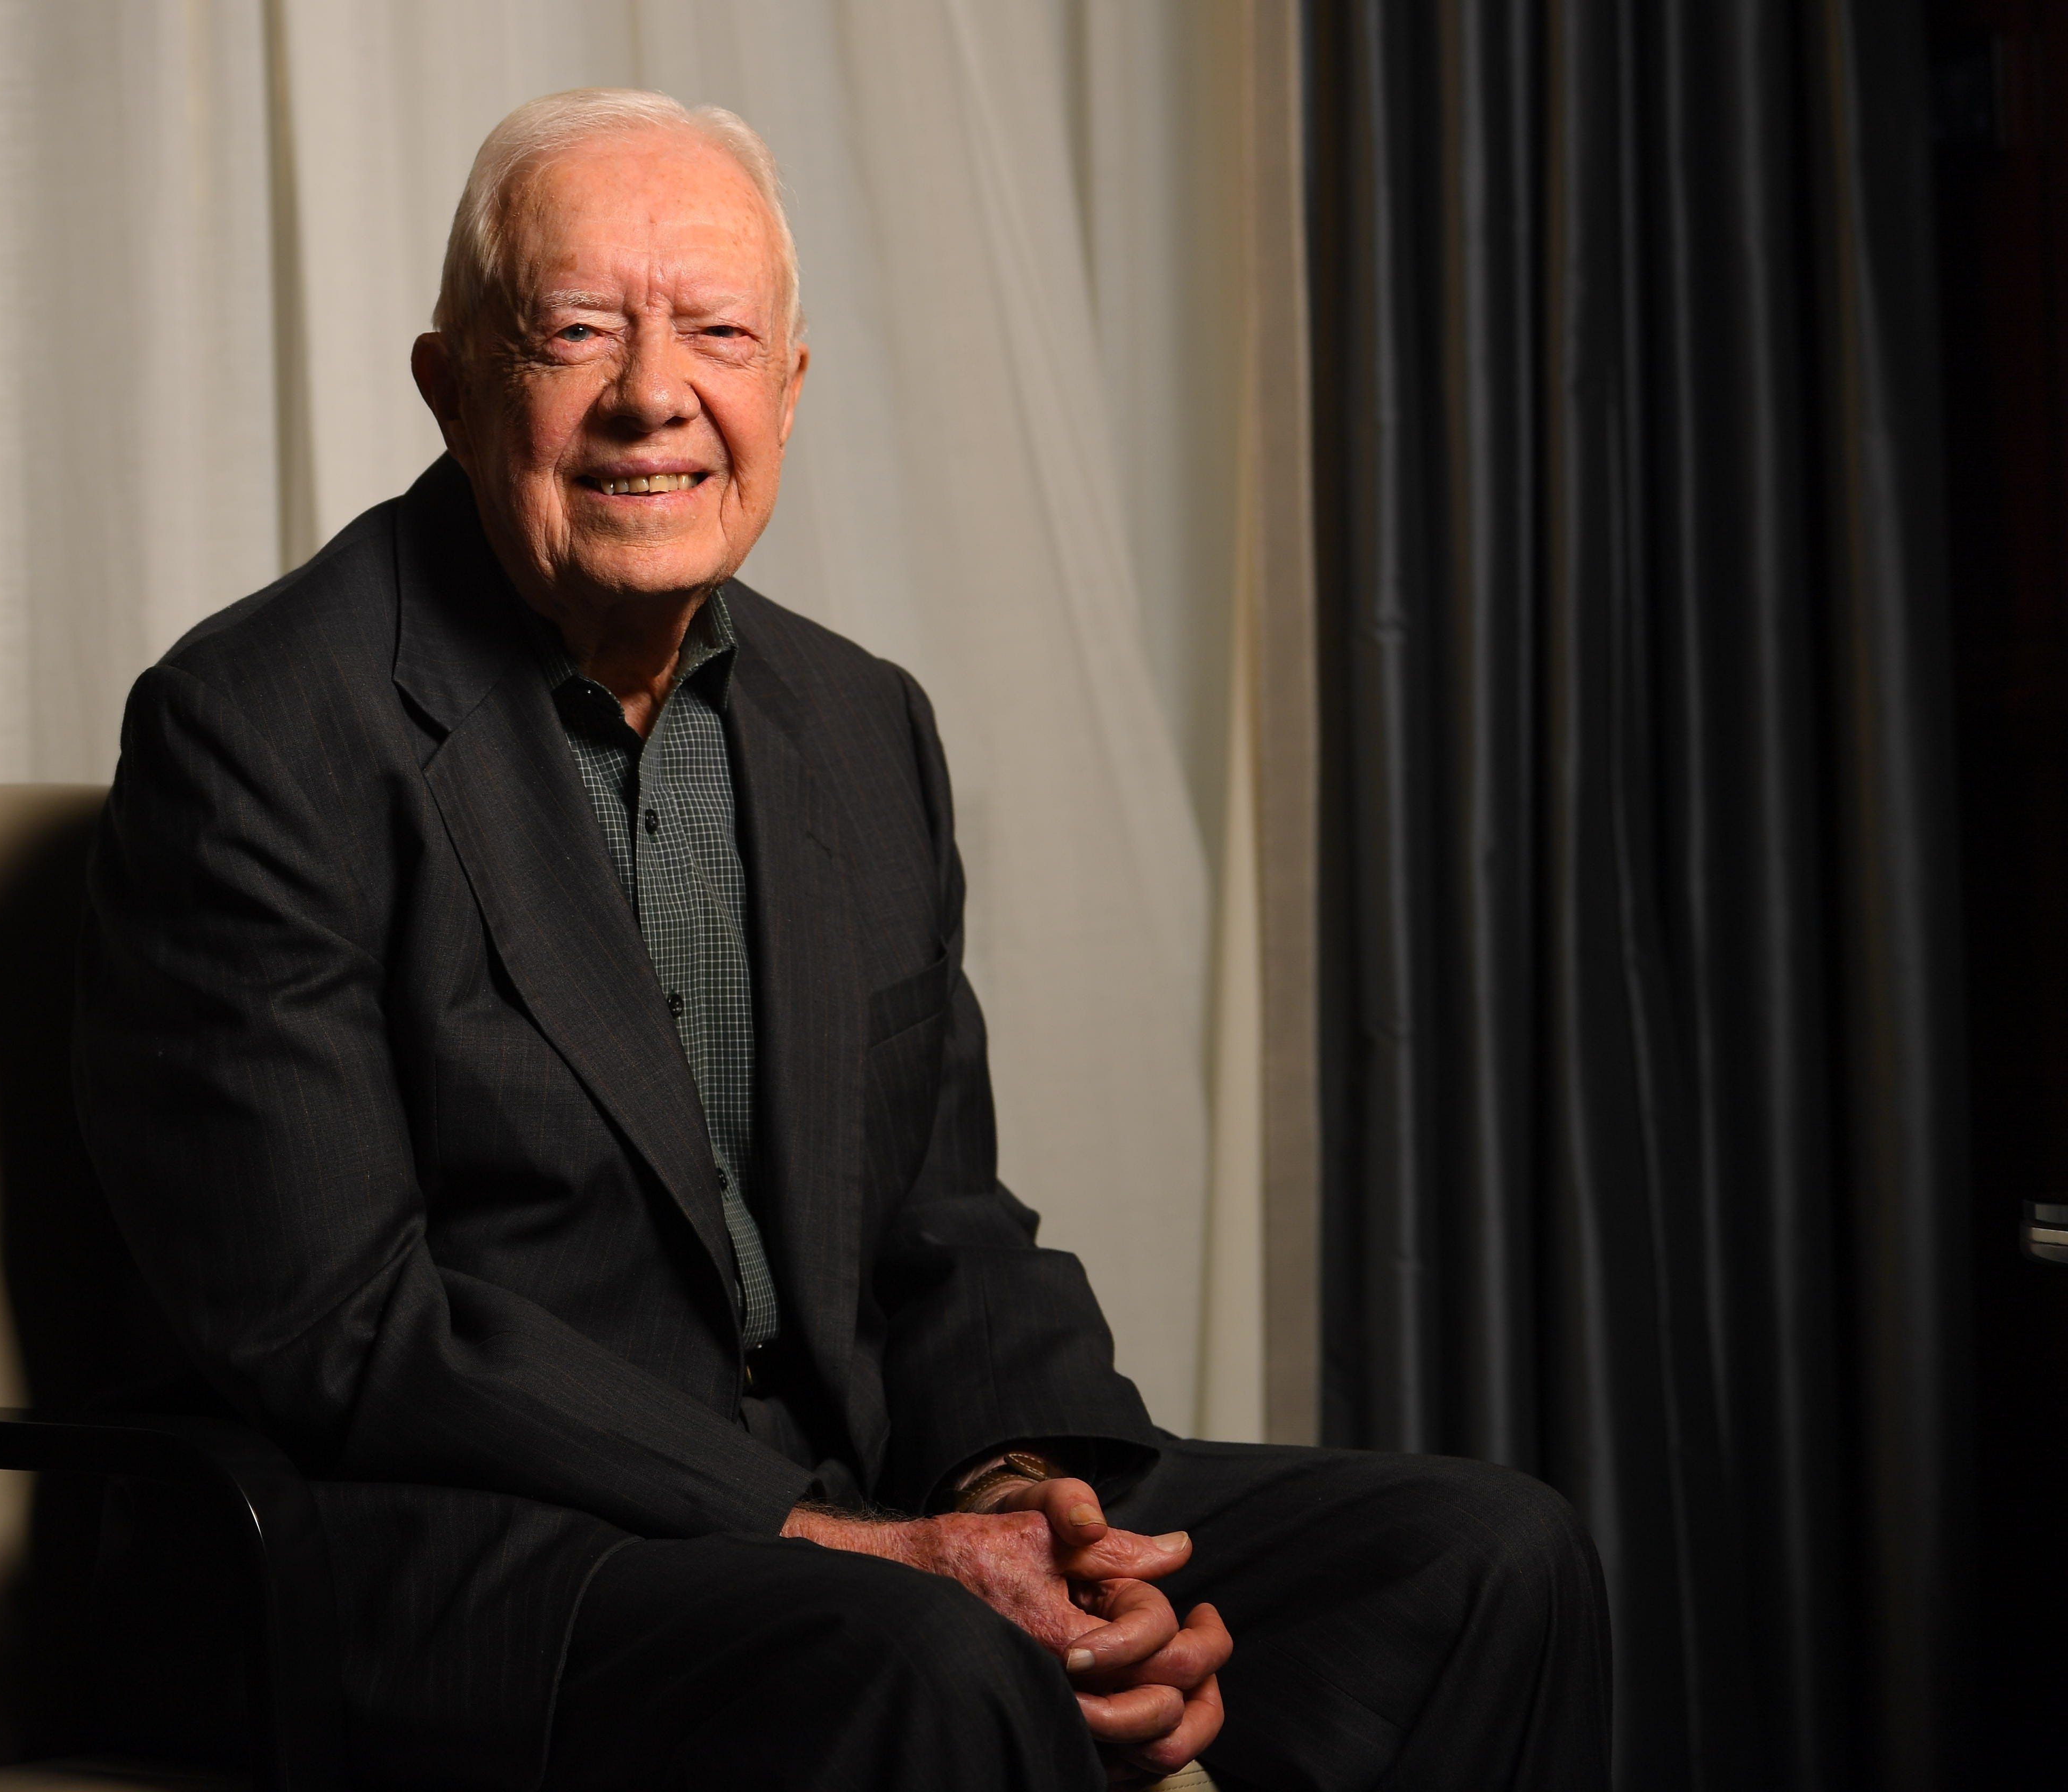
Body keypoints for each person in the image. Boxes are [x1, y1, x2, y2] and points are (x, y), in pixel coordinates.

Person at [79, 88, 1608, 1790]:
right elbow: (346, 1329)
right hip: (465, 1546)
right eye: (577, 329)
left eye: (717, 333)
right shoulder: (258, 727)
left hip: (863, 1500)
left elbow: (941, 1222)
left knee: (1484, 1561)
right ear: (451, 386)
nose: (654, 393)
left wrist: (1030, 1500)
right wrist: (840, 1541)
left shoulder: (860, 723)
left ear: (787, 393)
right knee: (930, 1664)